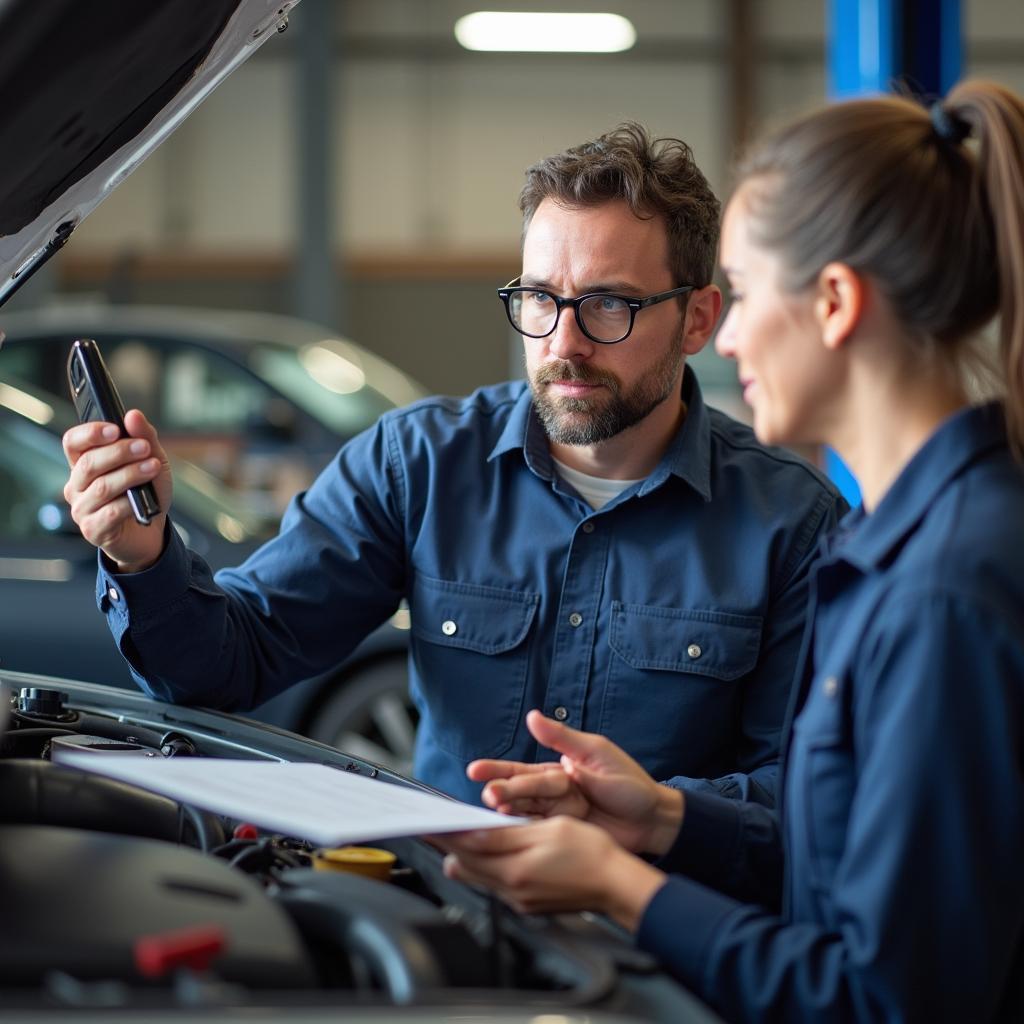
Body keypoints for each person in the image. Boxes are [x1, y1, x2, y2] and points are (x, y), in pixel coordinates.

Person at [440, 82, 1024, 1020]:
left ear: (834, 303)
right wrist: (665, 815)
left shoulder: (945, 587)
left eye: (745, 295)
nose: (731, 332)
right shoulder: (892, 543)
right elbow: (845, 859)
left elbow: (883, 1000)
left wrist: (621, 886)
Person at [62, 125, 843, 805]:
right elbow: (227, 664)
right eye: (540, 298)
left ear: (697, 318)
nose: (563, 343)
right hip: (448, 925)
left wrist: (656, 816)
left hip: (658, 943)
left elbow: (800, 800)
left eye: (609, 304)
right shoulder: (419, 466)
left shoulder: (792, 525)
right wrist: (143, 556)